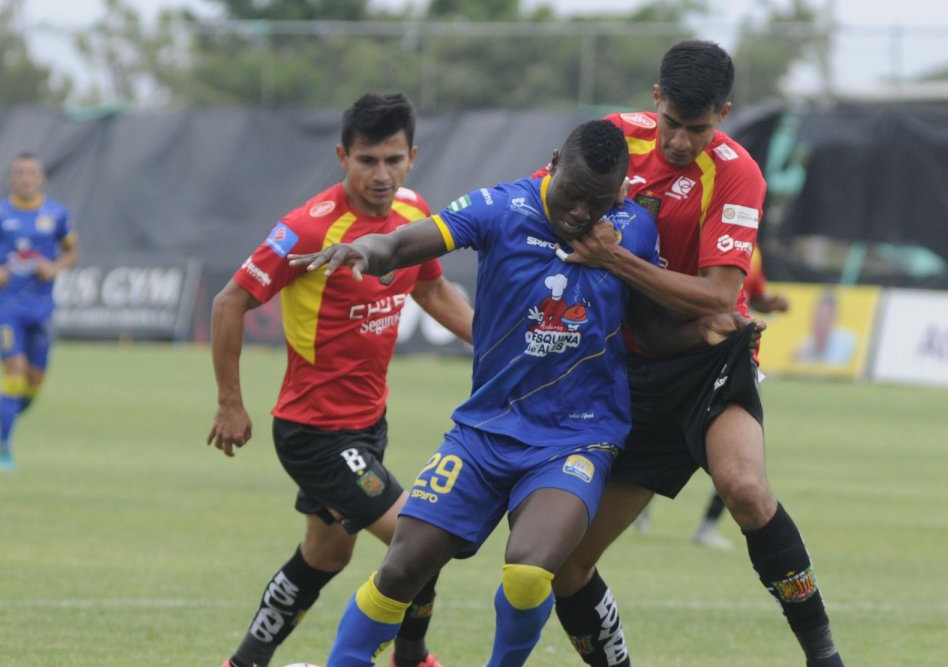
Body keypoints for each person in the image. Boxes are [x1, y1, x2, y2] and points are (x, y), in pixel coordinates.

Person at [290, 119, 759, 667]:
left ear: (622, 193)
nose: (582, 214)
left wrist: (703, 332)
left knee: (530, 570)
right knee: (400, 568)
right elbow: (405, 242)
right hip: (483, 432)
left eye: (600, 203)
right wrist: (367, 251)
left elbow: (648, 331)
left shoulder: (631, 231)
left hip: (577, 437)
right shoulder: (500, 207)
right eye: (574, 195)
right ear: (554, 162)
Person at [548, 41, 843, 666]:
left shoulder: (738, 174)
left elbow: (717, 296)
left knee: (744, 488)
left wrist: (614, 258)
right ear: (655, 98)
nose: (680, 142)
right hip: (620, 372)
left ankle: (825, 657)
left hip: (705, 363)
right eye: (672, 123)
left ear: (725, 114)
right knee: (566, 568)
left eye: (698, 128)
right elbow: (544, 207)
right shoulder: (607, 143)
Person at [207, 92, 473, 667]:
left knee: (324, 556)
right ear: (341, 157)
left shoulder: (412, 214)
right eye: (367, 160)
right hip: (316, 434)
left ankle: (245, 660)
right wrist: (231, 402)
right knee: (420, 541)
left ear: (412, 157)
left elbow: (431, 288)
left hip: (367, 426)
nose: (381, 174)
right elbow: (229, 303)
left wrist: (494, 345)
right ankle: (413, 657)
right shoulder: (308, 229)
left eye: (393, 160)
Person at [0, 152, 77, 472]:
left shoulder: (56, 214)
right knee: (13, 374)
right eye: (20, 173)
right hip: (8, 308)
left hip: (41, 309)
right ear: (12, 179)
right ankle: (3, 447)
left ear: (40, 178)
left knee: (32, 386)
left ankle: (8, 414)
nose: (26, 178)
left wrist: (54, 267)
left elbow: (72, 253)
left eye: (31, 173)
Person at [692, 249, 789, 550]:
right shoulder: (709, 237)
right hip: (693, 353)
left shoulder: (753, 250)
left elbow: (753, 293)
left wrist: (770, 303)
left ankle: (707, 527)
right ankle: (641, 509)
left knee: (739, 459)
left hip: (736, 360)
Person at [793, 288, 855, 366]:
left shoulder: (847, 341)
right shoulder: (805, 343)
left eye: (824, 319)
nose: (818, 325)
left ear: (834, 321)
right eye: (816, 318)